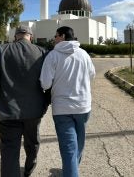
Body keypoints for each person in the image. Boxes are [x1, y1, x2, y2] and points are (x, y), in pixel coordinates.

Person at [0, 25, 49, 177]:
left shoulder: (2, 49)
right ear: (30, 37)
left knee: (9, 151)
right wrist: (45, 103)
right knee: (32, 142)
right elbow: (50, 82)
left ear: (15, 36)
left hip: (7, 110)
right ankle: (28, 169)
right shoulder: (43, 52)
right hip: (34, 111)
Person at [40, 26, 95, 177]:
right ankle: (71, 170)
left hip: (62, 109)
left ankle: (71, 172)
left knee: (69, 148)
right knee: (78, 143)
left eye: (56, 36)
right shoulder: (83, 54)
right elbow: (92, 74)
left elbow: (45, 84)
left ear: (63, 36)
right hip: (83, 107)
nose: (54, 39)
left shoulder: (53, 56)